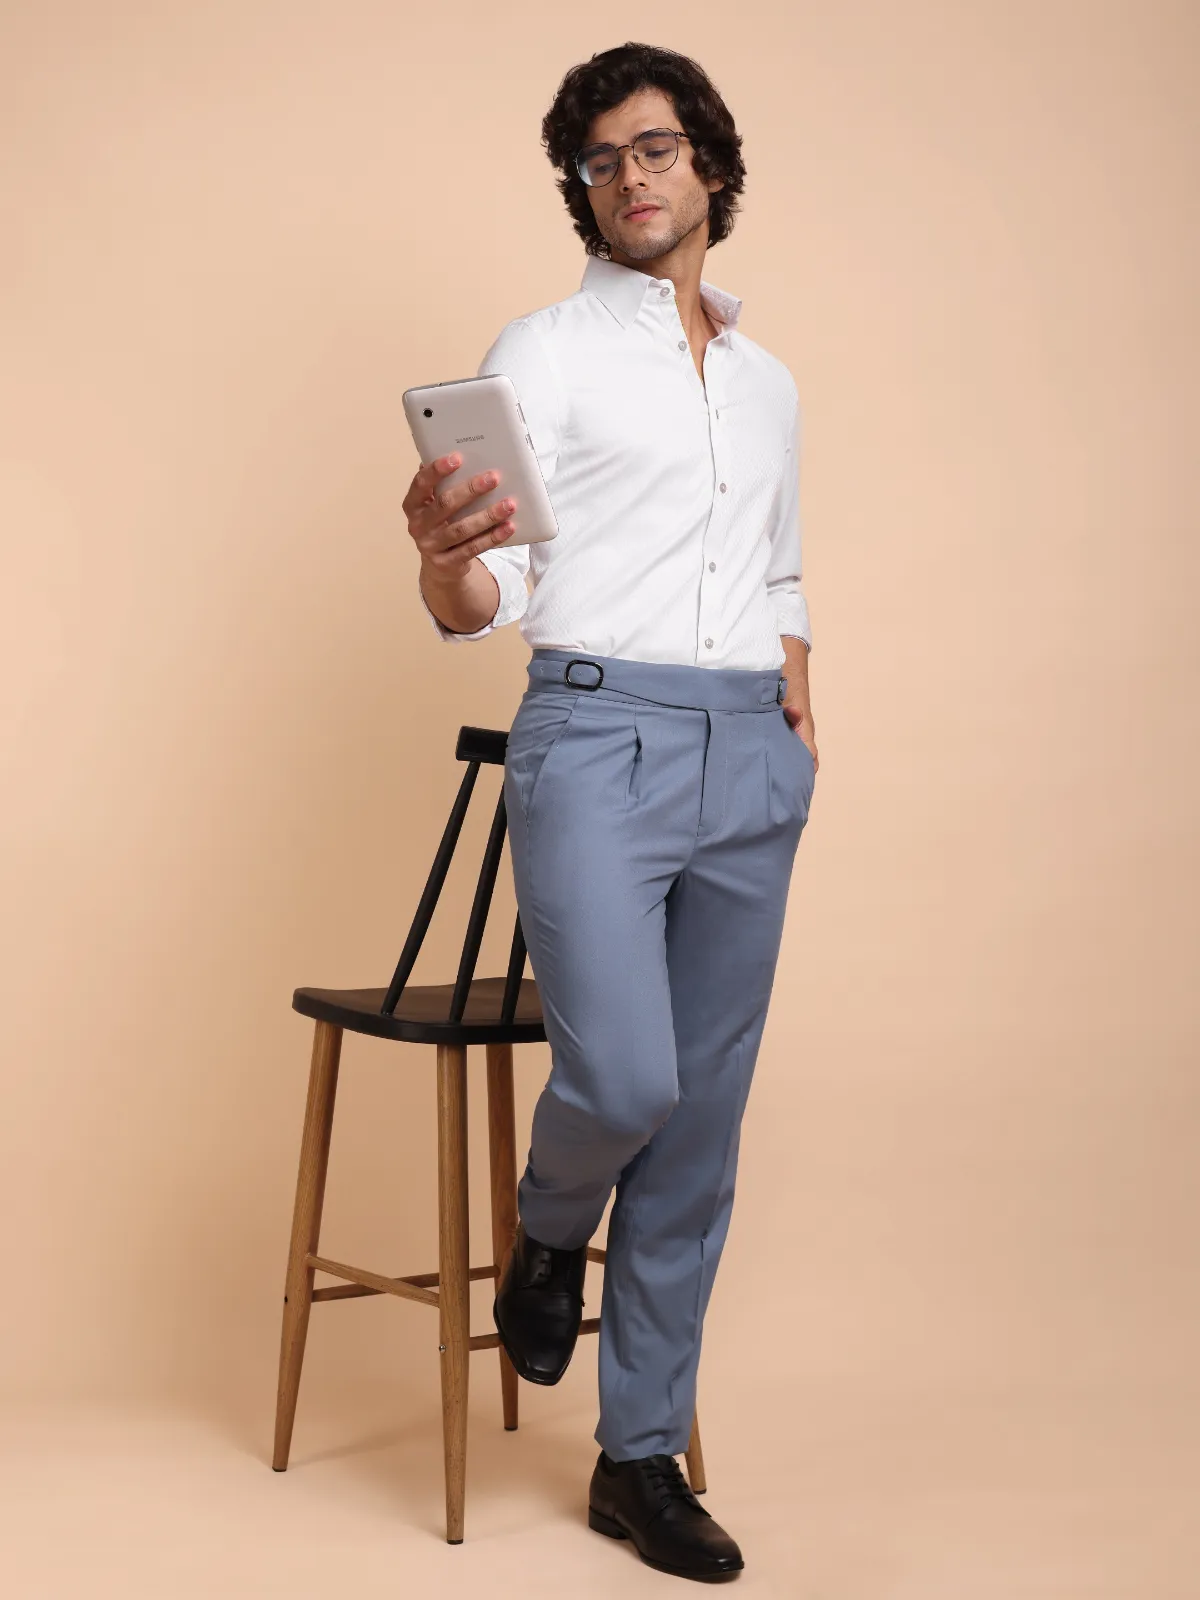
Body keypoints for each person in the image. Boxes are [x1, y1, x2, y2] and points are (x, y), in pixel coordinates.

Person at [404, 41, 818, 1583]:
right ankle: (548, 1222)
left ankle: (636, 1460)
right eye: (598, 161)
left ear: (708, 161)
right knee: (629, 1076)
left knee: (701, 1130)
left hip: (749, 761)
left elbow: (776, 564)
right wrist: (445, 563)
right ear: (579, 190)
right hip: (596, 738)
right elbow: (491, 587)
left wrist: (794, 689)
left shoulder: (768, 383)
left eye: (652, 148)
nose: (627, 177)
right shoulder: (548, 351)